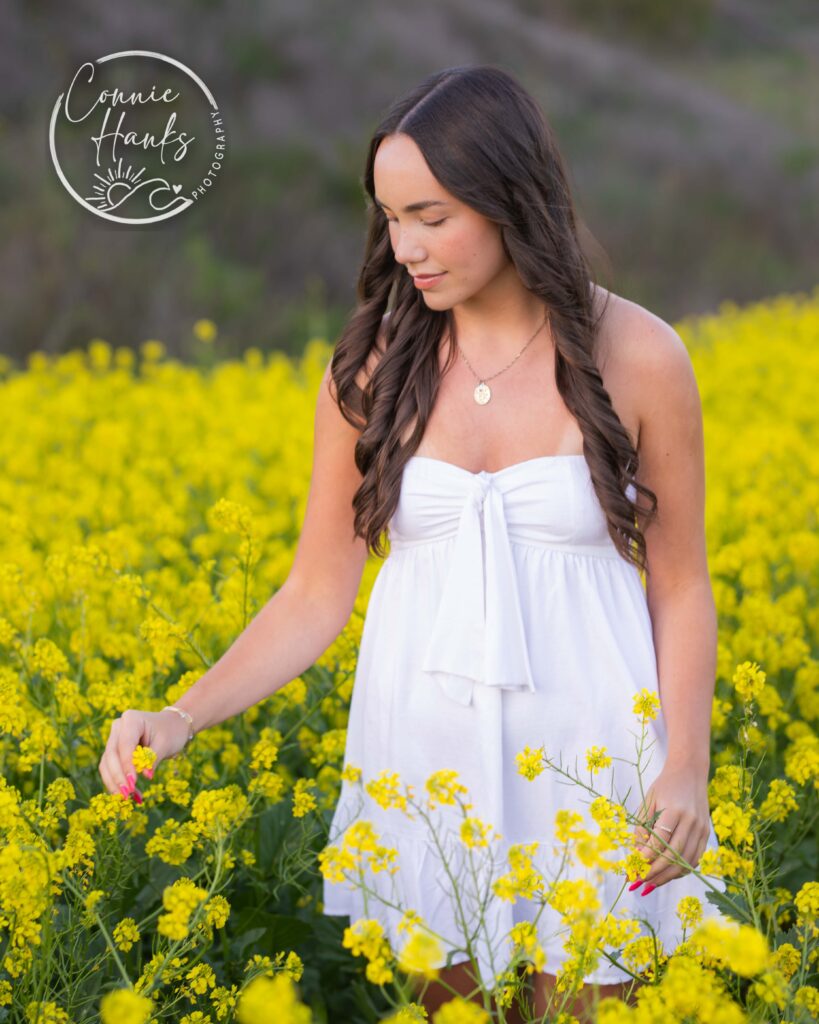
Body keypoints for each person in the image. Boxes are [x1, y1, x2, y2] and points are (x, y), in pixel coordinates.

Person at [99, 64, 729, 1021]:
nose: (407, 248)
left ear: (510, 197)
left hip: (592, 762)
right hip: (423, 765)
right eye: (390, 219)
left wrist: (684, 766)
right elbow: (316, 592)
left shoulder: (639, 355)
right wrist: (180, 717)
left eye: (431, 217)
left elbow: (680, 586)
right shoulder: (369, 372)